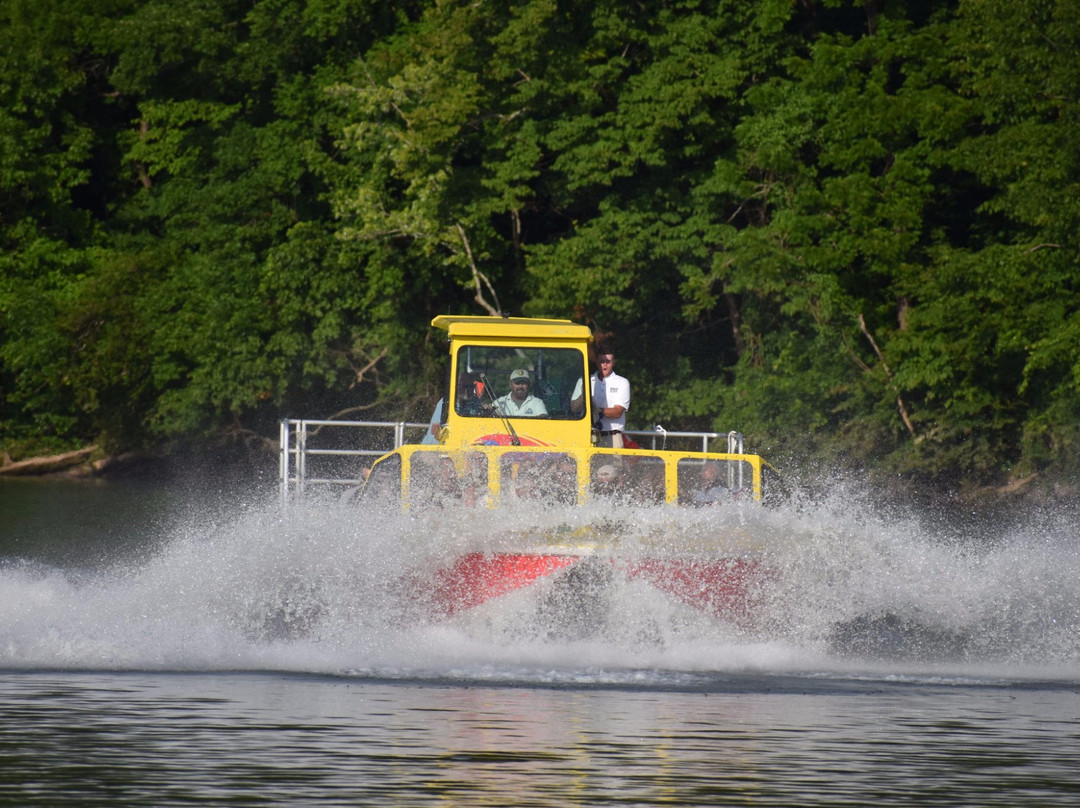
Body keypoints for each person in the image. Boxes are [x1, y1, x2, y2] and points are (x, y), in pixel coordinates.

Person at [591, 349, 630, 448]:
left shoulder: (622, 382)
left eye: (607, 361)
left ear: (613, 363)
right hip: (590, 436)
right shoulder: (587, 380)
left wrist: (595, 411)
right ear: (596, 362)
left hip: (613, 435)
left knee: (615, 464)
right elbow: (574, 408)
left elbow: (617, 412)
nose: (604, 364)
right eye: (601, 361)